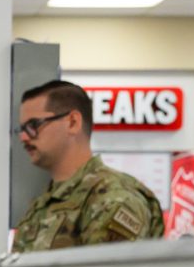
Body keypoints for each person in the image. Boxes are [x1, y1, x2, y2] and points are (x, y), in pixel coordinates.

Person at [13, 79, 165, 252]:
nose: (24, 137)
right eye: (22, 129)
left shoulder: (113, 197)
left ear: (72, 122)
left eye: (34, 125)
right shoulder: (44, 204)